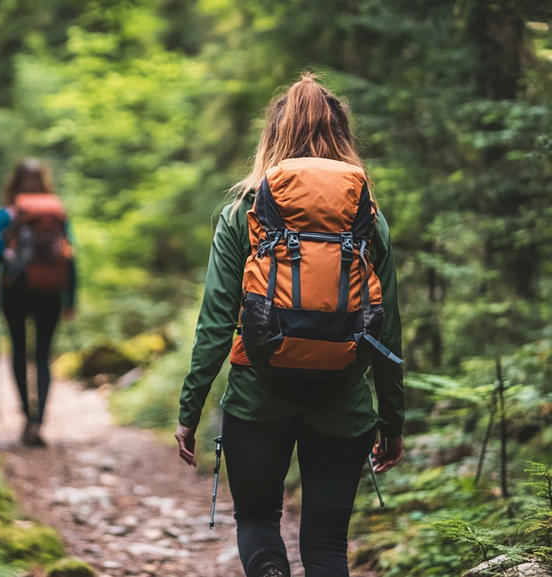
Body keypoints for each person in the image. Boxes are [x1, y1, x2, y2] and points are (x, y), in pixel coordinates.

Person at [174, 73, 405, 577]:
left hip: (259, 397)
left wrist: (190, 409)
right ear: (343, 135)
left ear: (274, 135)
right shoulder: (367, 218)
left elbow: (214, 323)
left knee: (257, 519)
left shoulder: (244, 211)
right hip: (343, 402)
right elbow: (388, 331)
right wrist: (393, 419)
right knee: (325, 544)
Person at [0, 158, 76, 447]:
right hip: (50, 292)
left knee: (19, 350)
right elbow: (70, 256)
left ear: (14, 182)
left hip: (15, 291)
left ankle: (27, 415)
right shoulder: (57, 213)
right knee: (43, 355)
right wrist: (70, 298)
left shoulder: (6, 214)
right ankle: (39, 421)